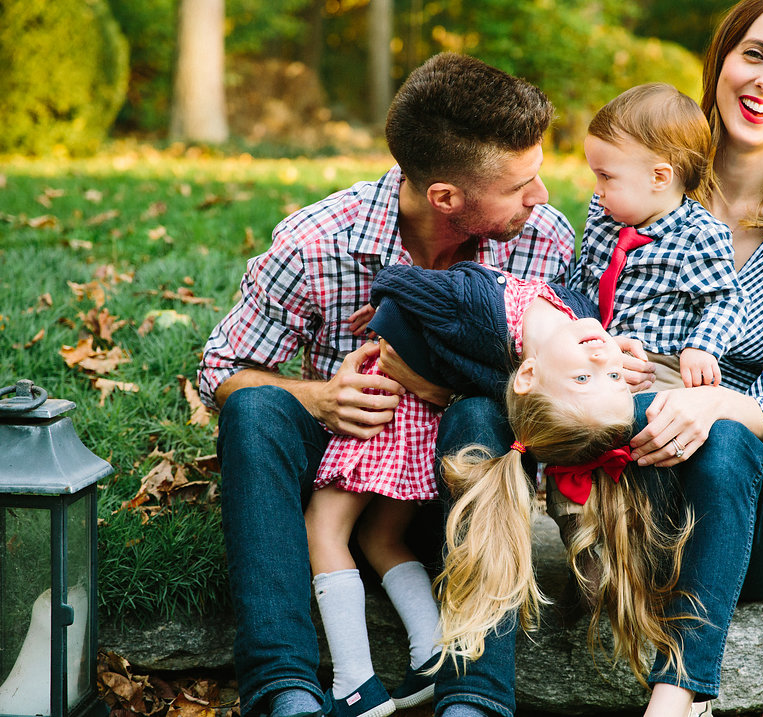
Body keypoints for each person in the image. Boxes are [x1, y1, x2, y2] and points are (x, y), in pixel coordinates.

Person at [430, 2, 763, 717]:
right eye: (754, 54)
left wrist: (713, 400)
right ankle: (474, 691)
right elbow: (577, 318)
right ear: (722, 60)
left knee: (722, 436)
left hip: (759, 513)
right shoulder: (632, 183)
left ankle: (680, 692)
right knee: (478, 415)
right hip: (627, 490)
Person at [197, 52, 578, 717]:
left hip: (465, 484)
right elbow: (219, 370)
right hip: (348, 476)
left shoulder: (543, 240)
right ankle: (287, 688)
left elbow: (566, 395)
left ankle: (472, 696)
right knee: (256, 408)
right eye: (522, 184)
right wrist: (316, 397)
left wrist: (445, 393)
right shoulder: (316, 242)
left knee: (483, 418)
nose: (540, 196)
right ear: (446, 198)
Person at [303, 259, 637, 716]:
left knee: (323, 529)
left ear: (529, 377)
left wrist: (387, 312)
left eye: (585, 379)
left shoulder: (483, 313)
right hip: (421, 426)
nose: (602, 361)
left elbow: (398, 278)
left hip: (383, 410)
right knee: (380, 537)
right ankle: (428, 656)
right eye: (614, 377)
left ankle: (355, 683)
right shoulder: (576, 313)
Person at [549, 83, 746, 575]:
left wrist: (702, 346)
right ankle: (581, 536)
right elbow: (581, 279)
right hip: (601, 351)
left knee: (641, 429)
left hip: (660, 364)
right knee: (565, 418)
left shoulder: (699, 235)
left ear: (660, 176)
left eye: (606, 176)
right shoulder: (604, 218)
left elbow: (724, 301)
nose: (596, 190)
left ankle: (637, 541)